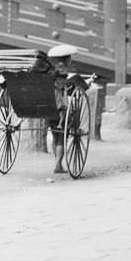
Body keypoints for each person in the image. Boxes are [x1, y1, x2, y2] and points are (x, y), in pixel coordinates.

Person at [48, 44, 90, 174]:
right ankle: (58, 165)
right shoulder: (63, 71)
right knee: (61, 137)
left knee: (55, 135)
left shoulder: (51, 71)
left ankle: (58, 163)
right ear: (67, 59)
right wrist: (86, 83)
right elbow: (68, 87)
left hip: (48, 106)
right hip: (60, 107)